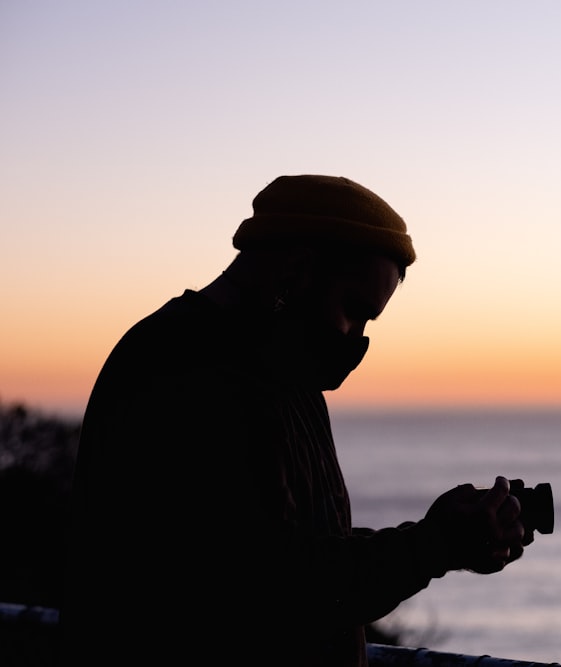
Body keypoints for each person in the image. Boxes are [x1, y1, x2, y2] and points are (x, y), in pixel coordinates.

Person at [60, 175, 534, 667]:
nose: (356, 338)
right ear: (298, 271)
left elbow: (302, 547)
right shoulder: (184, 367)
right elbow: (274, 586)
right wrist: (434, 545)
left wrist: (445, 541)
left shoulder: (284, 374)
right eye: (353, 311)